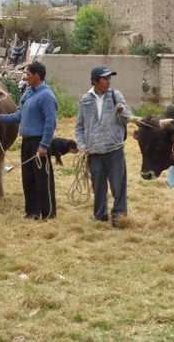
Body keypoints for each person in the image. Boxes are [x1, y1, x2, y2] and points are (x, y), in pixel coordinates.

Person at [0, 62, 58, 220]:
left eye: (28, 74)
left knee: (43, 179)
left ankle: (47, 213)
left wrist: (44, 145)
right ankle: (31, 212)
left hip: (39, 142)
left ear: (37, 76)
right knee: (28, 178)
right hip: (27, 142)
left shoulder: (46, 96)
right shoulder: (29, 93)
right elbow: (19, 116)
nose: (26, 77)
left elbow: (50, 123)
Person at [75, 66, 135, 228]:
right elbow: (79, 126)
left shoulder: (116, 96)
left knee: (118, 185)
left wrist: (122, 110)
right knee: (98, 186)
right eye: (105, 78)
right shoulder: (85, 100)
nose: (108, 81)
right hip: (94, 151)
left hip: (114, 149)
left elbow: (128, 117)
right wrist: (82, 146)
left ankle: (119, 216)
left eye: (109, 78)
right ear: (95, 81)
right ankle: (100, 216)